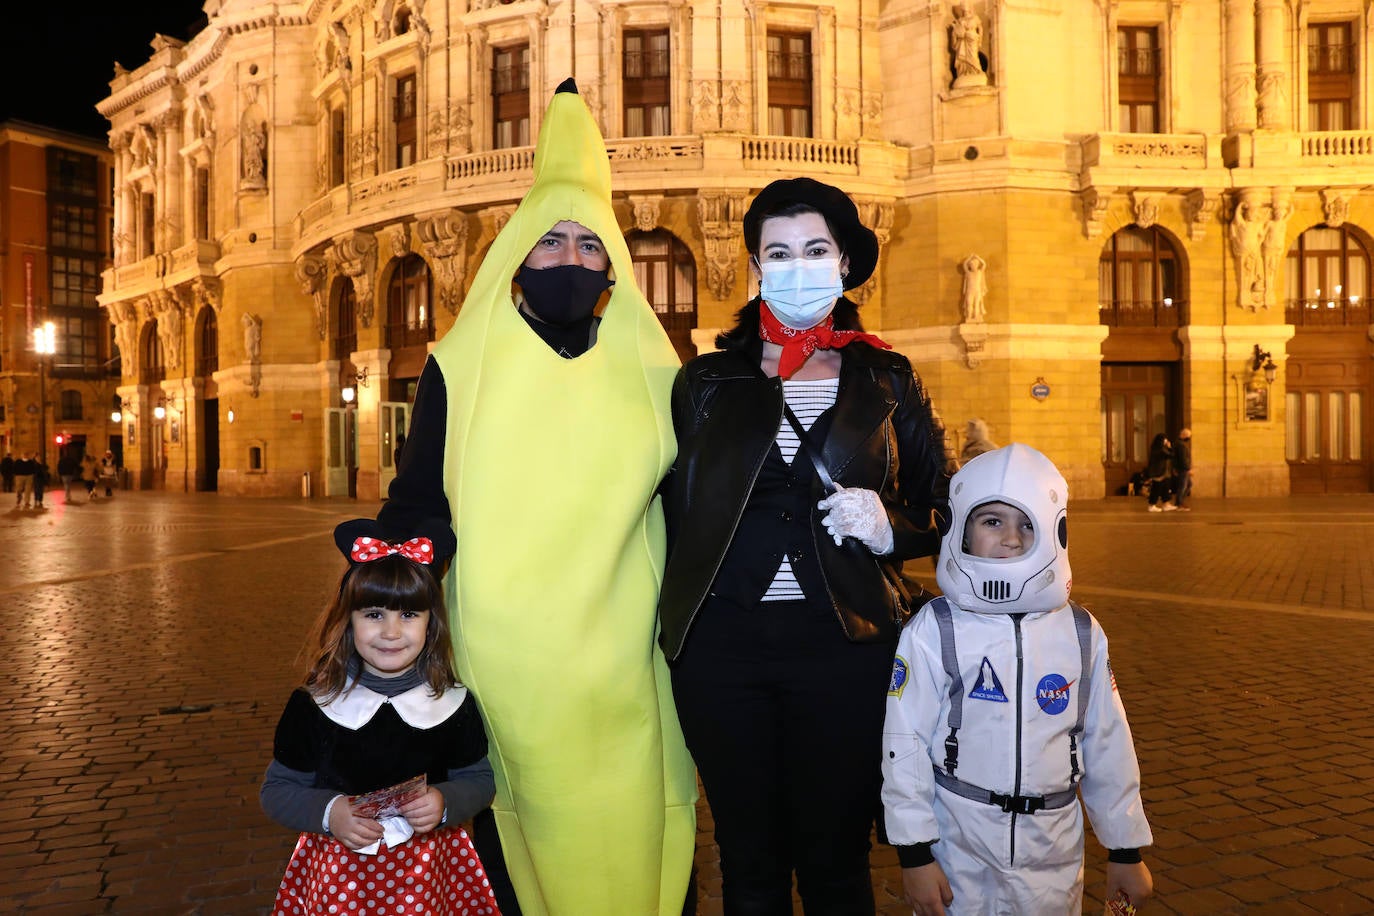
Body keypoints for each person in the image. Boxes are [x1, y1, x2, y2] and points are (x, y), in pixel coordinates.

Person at [377, 79, 695, 915]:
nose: (569, 261)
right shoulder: (459, 364)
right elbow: (418, 503)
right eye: (550, 242)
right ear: (517, 254)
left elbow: (697, 510)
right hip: (500, 672)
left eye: (590, 247)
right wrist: (386, 585)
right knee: (518, 853)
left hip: (627, 668)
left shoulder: (661, 371)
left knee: (635, 840)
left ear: (614, 266)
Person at [658, 176, 952, 913]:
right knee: (748, 858)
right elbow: (666, 509)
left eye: (815, 248)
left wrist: (894, 527)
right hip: (724, 650)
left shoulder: (887, 378)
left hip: (846, 646)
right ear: (756, 266)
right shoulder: (705, 383)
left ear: (845, 263)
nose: (797, 265)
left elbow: (945, 508)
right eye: (778, 252)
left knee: (836, 858)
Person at [881, 444, 1154, 915]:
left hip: (1051, 853)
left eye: (1027, 524)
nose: (1011, 538)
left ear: (1056, 532)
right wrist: (915, 855)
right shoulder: (934, 628)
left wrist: (1125, 849)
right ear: (960, 529)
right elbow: (904, 743)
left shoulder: (1080, 632)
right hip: (957, 846)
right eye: (992, 521)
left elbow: (1107, 742)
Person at [260, 518, 500, 914]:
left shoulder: (453, 704)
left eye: (408, 615)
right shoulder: (315, 706)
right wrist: (329, 812)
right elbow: (277, 792)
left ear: (432, 623)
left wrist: (445, 802)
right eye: (373, 614)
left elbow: (478, 780)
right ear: (348, 622)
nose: (391, 632)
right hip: (340, 880)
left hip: (432, 878)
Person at [1144, 433, 1174, 512]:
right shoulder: (1159, 450)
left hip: (1162, 473)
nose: (1166, 441)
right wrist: (1170, 447)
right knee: (1156, 489)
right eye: (1165, 439)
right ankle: (1152, 505)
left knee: (1164, 488)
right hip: (1158, 473)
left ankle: (1166, 504)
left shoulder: (1158, 448)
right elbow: (1171, 455)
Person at [1170, 427, 1193, 511]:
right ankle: (1179, 503)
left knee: (1188, 484)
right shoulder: (1181, 445)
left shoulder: (1179, 443)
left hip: (1182, 468)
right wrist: (1188, 469)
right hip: (1183, 469)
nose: (1189, 438)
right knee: (1183, 486)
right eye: (1188, 436)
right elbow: (1183, 459)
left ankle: (1180, 501)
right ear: (1183, 435)